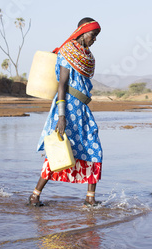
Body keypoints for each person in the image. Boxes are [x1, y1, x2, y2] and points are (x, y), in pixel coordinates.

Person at [30, 17, 103, 207]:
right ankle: (35, 195)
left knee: (93, 149)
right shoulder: (67, 53)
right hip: (67, 108)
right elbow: (62, 84)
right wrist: (61, 116)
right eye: (92, 36)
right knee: (59, 151)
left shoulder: (87, 57)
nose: (94, 40)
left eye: (96, 37)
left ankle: (90, 198)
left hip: (83, 110)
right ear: (82, 32)